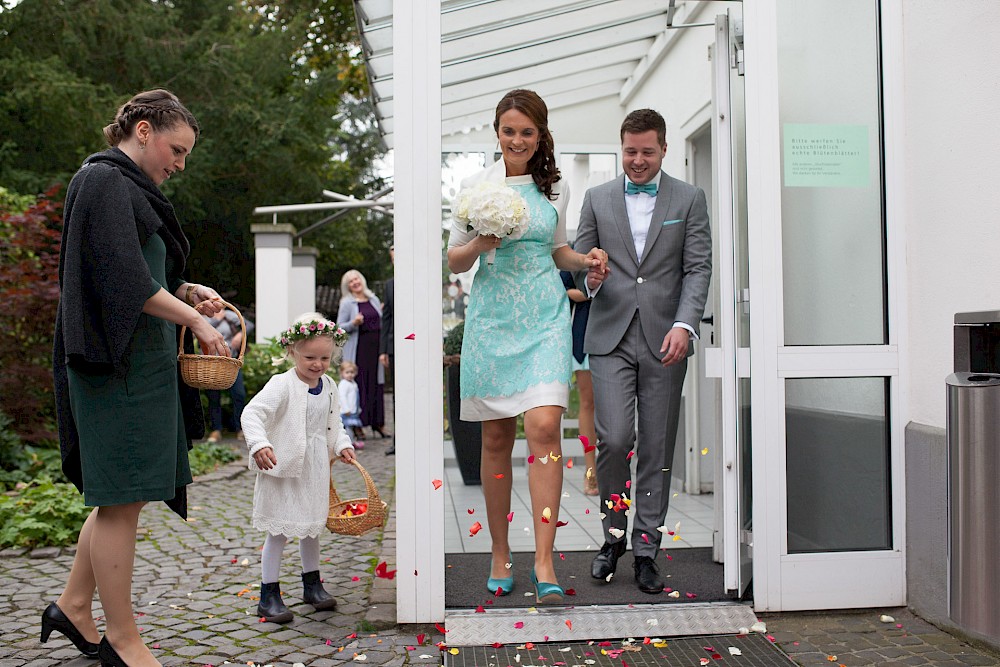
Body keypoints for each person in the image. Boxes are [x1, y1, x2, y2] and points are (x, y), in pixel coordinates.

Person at [49, 89, 229, 667]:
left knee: (119, 500)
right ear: (144, 130)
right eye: (176, 150)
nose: (179, 164)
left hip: (140, 365)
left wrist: (187, 292)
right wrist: (197, 321)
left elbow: (142, 278)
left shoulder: (128, 188)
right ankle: (122, 643)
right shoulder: (102, 180)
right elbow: (123, 283)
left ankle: (74, 606)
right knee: (119, 500)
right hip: (113, 367)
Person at [446, 89, 607, 605]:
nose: (517, 140)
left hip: (544, 315)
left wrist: (584, 262)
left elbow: (555, 248)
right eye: (509, 130)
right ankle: (499, 553)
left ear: (540, 137)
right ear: (497, 132)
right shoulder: (473, 188)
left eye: (527, 132)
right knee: (495, 439)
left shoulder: (552, 189)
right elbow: (453, 261)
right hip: (493, 320)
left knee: (542, 427)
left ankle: (543, 559)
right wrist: (479, 244)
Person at [574, 108, 711, 594]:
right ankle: (614, 536)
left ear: (664, 149)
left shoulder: (690, 198)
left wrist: (685, 324)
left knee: (656, 444)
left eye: (646, 152)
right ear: (622, 146)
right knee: (614, 438)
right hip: (610, 336)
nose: (637, 160)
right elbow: (578, 265)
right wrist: (589, 279)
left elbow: (697, 268)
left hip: (664, 339)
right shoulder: (596, 198)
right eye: (630, 151)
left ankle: (647, 549)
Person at [241, 312, 356, 624]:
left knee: (311, 527)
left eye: (324, 357)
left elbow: (334, 423)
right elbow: (252, 414)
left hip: (314, 469)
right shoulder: (282, 385)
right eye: (309, 357)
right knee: (278, 531)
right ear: (291, 351)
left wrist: (342, 445)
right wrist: (259, 443)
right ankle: (268, 594)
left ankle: (312, 585)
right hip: (282, 467)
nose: (317, 364)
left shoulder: (330, 385)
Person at [336, 269, 389, 440]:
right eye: (350, 281)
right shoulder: (347, 303)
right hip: (359, 349)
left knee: (376, 385)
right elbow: (339, 328)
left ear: (362, 279)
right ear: (348, 286)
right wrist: (353, 323)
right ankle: (357, 424)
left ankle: (378, 423)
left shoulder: (373, 299)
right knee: (360, 385)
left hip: (376, 348)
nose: (355, 282)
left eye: (356, 278)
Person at [560, 268, 599, 496]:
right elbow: (560, 290)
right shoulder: (576, 252)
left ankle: (611, 469)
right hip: (583, 336)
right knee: (588, 403)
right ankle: (590, 471)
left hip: (619, 333)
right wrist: (587, 293)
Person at [204, 306, 253, 443]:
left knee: (239, 394)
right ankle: (216, 430)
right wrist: (217, 320)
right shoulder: (203, 316)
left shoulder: (229, 314)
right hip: (211, 363)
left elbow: (248, 325)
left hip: (231, 362)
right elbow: (199, 331)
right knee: (214, 396)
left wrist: (240, 335)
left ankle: (240, 429)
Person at [378, 246, 395, 456]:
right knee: (397, 396)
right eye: (393, 259)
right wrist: (383, 351)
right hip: (393, 348)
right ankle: (397, 442)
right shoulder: (389, 285)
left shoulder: (420, 281)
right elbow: (387, 318)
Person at [337, 360, 364, 450]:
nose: (350, 374)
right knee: (347, 427)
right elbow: (342, 397)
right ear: (342, 373)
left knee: (352, 427)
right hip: (346, 411)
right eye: (347, 372)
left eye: (352, 372)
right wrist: (346, 408)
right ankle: (349, 442)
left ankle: (352, 440)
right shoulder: (343, 384)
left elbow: (355, 397)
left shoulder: (353, 383)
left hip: (353, 410)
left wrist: (357, 408)